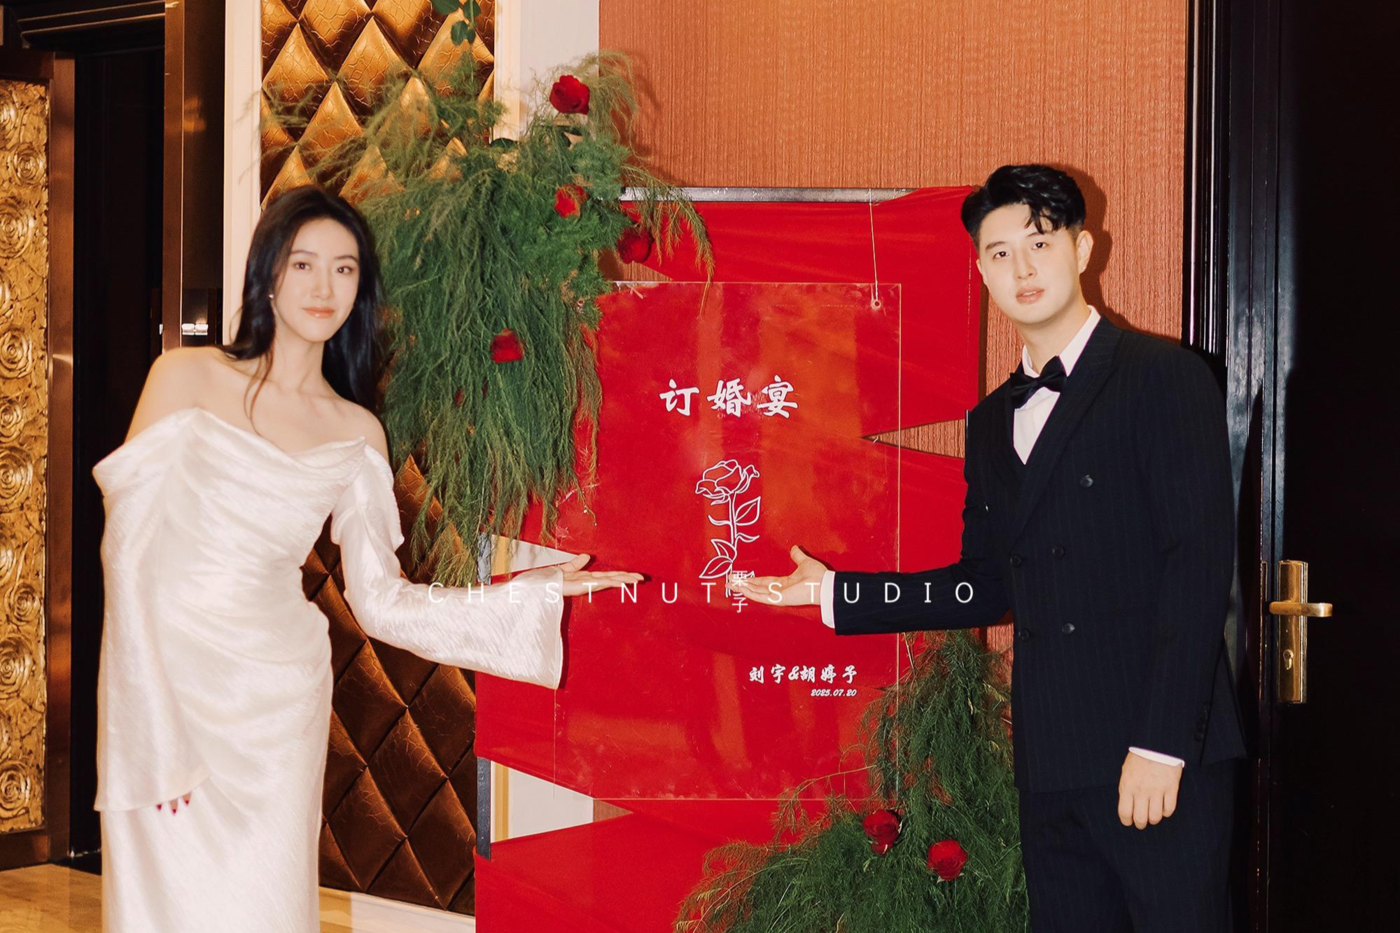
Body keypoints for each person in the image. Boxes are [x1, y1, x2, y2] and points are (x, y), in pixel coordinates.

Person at [90, 185, 640, 932]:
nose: (324, 286)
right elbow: (126, 557)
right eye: (304, 263)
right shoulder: (185, 377)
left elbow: (383, 600)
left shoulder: (355, 431)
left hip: (276, 702)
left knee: (263, 910)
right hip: (170, 691)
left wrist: (530, 592)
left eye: (344, 269)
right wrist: (151, 730)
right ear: (267, 272)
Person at [735, 164, 1244, 932]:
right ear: (980, 270)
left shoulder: (1165, 378)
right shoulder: (990, 420)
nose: (1022, 269)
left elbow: (1196, 570)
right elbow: (988, 582)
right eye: (1000, 253)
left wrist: (1161, 745)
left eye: (1040, 243)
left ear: (1082, 249)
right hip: (1052, 759)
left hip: (1159, 752)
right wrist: (837, 591)